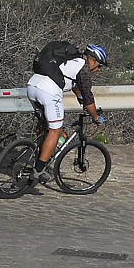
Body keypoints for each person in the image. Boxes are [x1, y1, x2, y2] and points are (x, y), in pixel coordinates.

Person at [25, 43, 108, 183]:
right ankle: (39, 170)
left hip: (33, 86)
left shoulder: (71, 60)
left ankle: (38, 157)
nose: (99, 70)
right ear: (92, 60)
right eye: (99, 65)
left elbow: (74, 84)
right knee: (56, 131)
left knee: (45, 125)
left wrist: (79, 96)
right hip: (49, 91)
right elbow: (89, 97)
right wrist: (96, 117)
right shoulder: (84, 68)